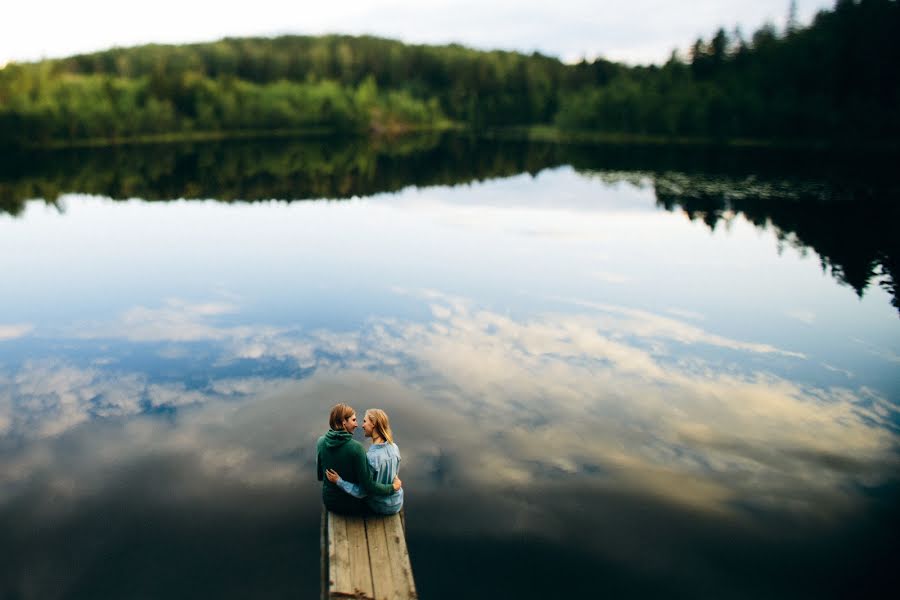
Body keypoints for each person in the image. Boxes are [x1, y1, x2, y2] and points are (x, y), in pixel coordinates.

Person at [316, 403, 401, 516]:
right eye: (354, 420)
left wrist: (338, 480)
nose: (358, 425)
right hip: (354, 504)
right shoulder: (359, 448)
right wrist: (393, 487)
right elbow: (368, 487)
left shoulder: (320, 442)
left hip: (329, 501)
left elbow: (320, 476)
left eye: (363, 421)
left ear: (374, 424)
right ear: (343, 422)